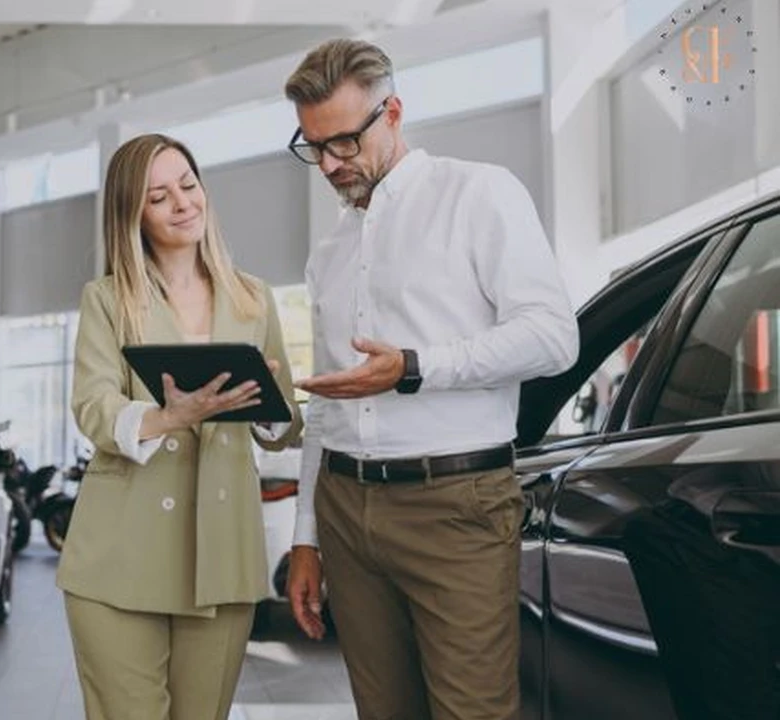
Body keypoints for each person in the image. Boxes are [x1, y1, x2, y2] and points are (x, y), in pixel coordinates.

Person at [281, 39, 579, 720]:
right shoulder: (329, 253)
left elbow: (553, 337)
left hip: (456, 505)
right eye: (313, 146)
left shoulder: (480, 192)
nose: (329, 164)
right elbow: (327, 405)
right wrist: (305, 536)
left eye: (345, 142)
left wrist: (416, 369)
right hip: (345, 511)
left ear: (393, 113)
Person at [56, 133, 304, 720]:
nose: (183, 203)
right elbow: (91, 405)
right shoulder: (108, 299)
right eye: (159, 196)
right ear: (131, 214)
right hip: (118, 554)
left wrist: (265, 405)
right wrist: (169, 418)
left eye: (189, 185)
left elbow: (284, 423)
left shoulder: (253, 299)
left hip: (221, 552)